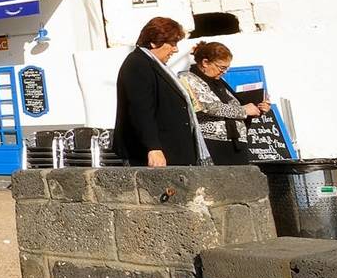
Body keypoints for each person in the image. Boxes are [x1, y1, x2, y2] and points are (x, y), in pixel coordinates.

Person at [112, 16, 207, 167]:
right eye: (172, 43)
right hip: (155, 155)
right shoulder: (138, 64)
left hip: (172, 152)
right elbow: (140, 109)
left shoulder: (153, 64)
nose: (175, 49)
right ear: (154, 42)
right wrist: (153, 148)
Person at [181, 41, 269, 166]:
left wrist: (257, 108)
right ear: (205, 62)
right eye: (221, 67)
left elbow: (236, 105)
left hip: (236, 141)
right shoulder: (187, 78)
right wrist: (244, 111)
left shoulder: (220, 83)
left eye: (227, 68)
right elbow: (206, 106)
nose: (224, 72)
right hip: (213, 143)